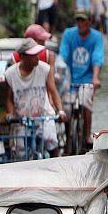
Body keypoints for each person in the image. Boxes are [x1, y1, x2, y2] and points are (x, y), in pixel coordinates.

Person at [5, 38, 65, 158]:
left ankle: (56, 165)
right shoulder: (10, 74)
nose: (37, 57)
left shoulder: (44, 69)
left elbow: (53, 91)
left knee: (52, 142)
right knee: (20, 151)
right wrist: (10, 113)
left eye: (37, 54)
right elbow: (9, 98)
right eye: (33, 55)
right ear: (22, 57)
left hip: (44, 115)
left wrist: (60, 111)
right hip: (22, 119)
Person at [59, 10, 103, 152]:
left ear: (89, 21)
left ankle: (87, 135)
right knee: (67, 109)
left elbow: (97, 58)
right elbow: (63, 54)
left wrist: (95, 77)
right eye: (78, 20)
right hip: (70, 79)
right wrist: (59, 73)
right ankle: (68, 138)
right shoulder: (68, 34)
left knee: (85, 103)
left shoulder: (96, 37)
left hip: (88, 79)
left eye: (83, 20)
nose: (80, 23)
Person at [24, 24, 62, 156]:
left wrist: (56, 106)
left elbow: (51, 85)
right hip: (24, 103)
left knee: (51, 139)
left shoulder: (48, 56)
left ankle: (56, 162)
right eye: (41, 41)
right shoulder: (18, 57)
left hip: (42, 100)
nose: (44, 45)